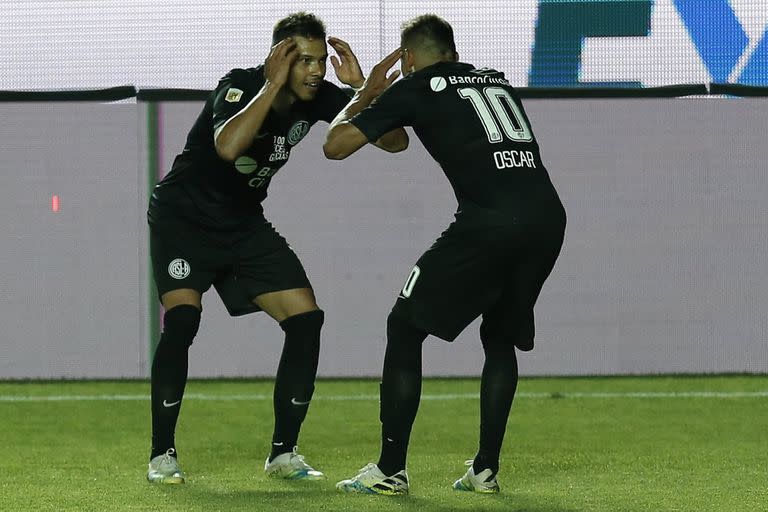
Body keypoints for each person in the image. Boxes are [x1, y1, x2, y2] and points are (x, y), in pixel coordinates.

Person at [145, 12, 408, 484]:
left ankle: (283, 455)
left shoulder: (324, 95)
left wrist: (365, 92)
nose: (314, 71)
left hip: (243, 225)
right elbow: (228, 147)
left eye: (319, 61)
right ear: (278, 58)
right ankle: (162, 454)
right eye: (302, 60)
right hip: (183, 219)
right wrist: (270, 86)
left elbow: (395, 141)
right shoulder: (241, 85)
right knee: (183, 320)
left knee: (306, 321)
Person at [324, 14, 566, 495]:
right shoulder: (494, 80)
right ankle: (485, 471)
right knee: (498, 338)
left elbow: (336, 146)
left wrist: (366, 93)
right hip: (547, 218)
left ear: (407, 59)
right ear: (453, 52)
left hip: (489, 224)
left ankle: (390, 470)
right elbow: (396, 141)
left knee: (404, 325)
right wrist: (377, 103)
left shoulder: (415, 86)